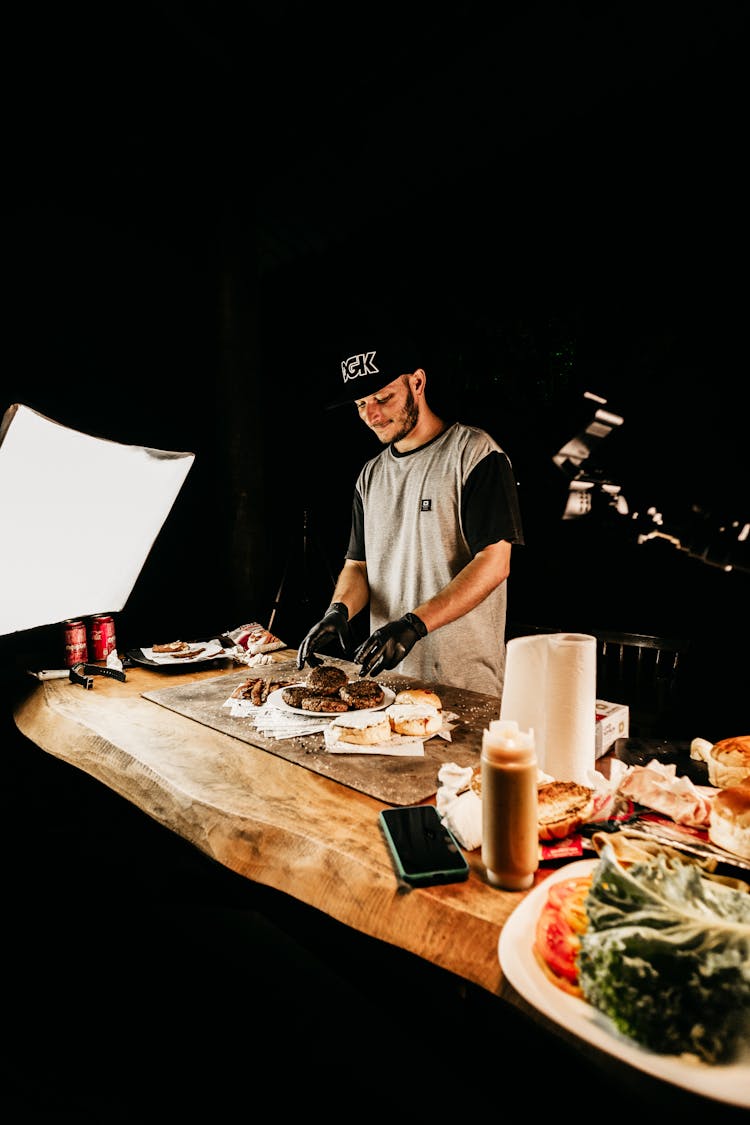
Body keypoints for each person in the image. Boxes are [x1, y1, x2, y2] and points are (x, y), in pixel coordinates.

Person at [296, 325, 524, 698]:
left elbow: (495, 563)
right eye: (360, 405)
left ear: (417, 383)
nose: (372, 415)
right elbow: (358, 566)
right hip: (385, 684)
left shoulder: (475, 454)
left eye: (383, 398)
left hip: (463, 686)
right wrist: (337, 611)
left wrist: (415, 624)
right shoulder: (370, 476)